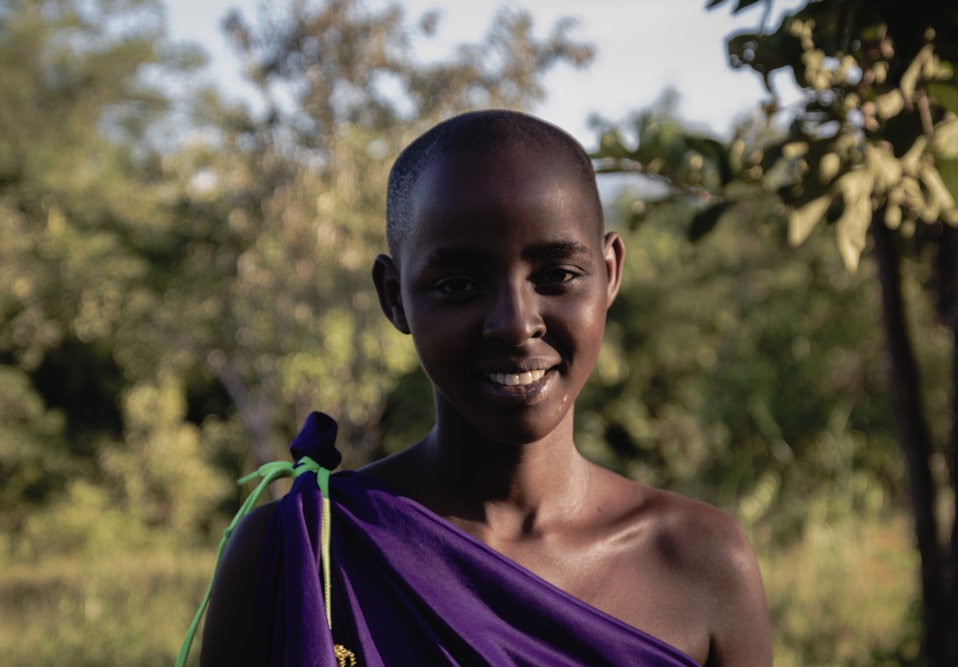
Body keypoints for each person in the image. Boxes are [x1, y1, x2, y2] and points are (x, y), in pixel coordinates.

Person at [195, 110, 772, 667]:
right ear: (395, 297)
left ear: (611, 272)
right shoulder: (301, 554)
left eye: (557, 276)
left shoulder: (702, 563)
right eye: (459, 284)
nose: (516, 323)